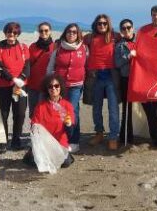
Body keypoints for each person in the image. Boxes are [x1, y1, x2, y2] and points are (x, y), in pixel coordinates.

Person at [47, 23, 87, 153]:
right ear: (65, 33)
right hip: (60, 86)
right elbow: (50, 66)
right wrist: (49, 82)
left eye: (74, 32)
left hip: (76, 85)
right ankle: (60, 138)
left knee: (72, 111)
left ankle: (74, 140)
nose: (72, 34)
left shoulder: (84, 48)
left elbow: (88, 64)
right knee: (59, 111)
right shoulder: (58, 48)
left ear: (78, 34)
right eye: (69, 31)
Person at [85, 14, 121, 151]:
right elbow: (74, 42)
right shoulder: (89, 37)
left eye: (105, 23)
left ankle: (113, 137)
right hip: (95, 77)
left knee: (113, 109)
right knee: (96, 108)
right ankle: (99, 133)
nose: (102, 26)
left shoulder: (115, 36)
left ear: (109, 24)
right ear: (96, 24)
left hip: (111, 77)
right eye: (99, 23)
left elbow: (130, 41)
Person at [24, 74, 75, 169]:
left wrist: (68, 125)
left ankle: (66, 154)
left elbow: (70, 133)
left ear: (61, 88)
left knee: (65, 163)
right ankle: (31, 153)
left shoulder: (67, 105)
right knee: (35, 163)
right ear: (47, 90)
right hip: (44, 144)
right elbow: (34, 128)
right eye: (50, 86)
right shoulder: (40, 106)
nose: (53, 88)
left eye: (56, 86)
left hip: (60, 142)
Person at [0, 21, 30, 150]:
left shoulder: (24, 48)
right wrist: (13, 79)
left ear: (18, 34)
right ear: (5, 33)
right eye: (9, 32)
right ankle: (2, 141)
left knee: (19, 113)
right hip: (2, 86)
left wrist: (20, 80)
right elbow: (0, 68)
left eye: (14, 32)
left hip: (20, 86)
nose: (11, 34)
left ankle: (16, 139)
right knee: (3, 114)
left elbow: (27, 66)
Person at [136, 5, 157, 147]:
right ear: (151, 16)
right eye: (154, 15)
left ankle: (154, 135)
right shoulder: (143, 30)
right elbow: (137, 47)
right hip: (144, 73)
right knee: (147, 105)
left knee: (156, 106)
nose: (156, 17)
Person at [114, 18, 137, 145]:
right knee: (127, 109)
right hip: (126, 79)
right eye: (123, 28)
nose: (126, 30)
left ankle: (156, 136)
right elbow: (117, 63)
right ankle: (126, 136)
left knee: (148, 108)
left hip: (140, 79)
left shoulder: (140, 41)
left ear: (133, 28)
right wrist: (128, 56)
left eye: (129, 27)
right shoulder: (119, 45)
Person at [27, 22, 55, 118]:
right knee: (33, 111)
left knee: (46, 111)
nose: (44, 32)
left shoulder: (55, 46)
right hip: (33, 84)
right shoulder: (32, 46)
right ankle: (34, 131)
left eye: (46, 30)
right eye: (41, 31)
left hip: (48, 85)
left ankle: (45, 132)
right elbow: (27, 64)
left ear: (50, 31)